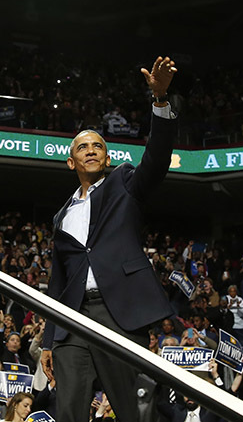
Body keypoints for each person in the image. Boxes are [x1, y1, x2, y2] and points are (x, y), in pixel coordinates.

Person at [40, 56, 179, 422]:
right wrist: (48, 340)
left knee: (130, 410)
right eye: (83, 147)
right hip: (71, 322)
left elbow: (157, 159)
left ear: (106, 157)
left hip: (118, 312)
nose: (90, 150)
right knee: (69, 411)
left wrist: (160, 101)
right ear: (71, 162)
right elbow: (56, 283)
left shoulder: (124, 184)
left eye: (97, 146)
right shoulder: (61, 216)